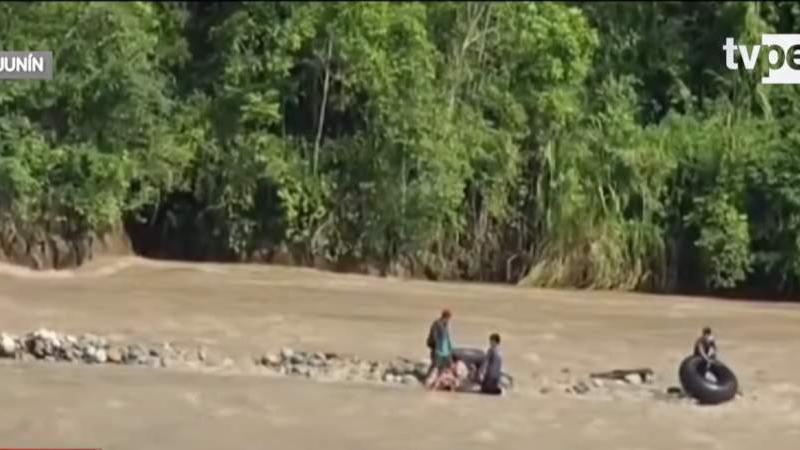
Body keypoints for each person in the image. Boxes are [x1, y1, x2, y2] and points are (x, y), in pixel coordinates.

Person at [425, 309, 453, 387]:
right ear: (445, 317)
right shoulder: (437, 324)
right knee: (434, 363)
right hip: (436, 347)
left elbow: (447, 336)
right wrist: (437, 347)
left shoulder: (445, 324)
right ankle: (427, 378)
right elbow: (434, 336)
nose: (449, 320)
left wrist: (449, 346)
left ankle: (437, 379)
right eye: (448, 318)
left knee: (442, 364)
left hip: (443, 348)